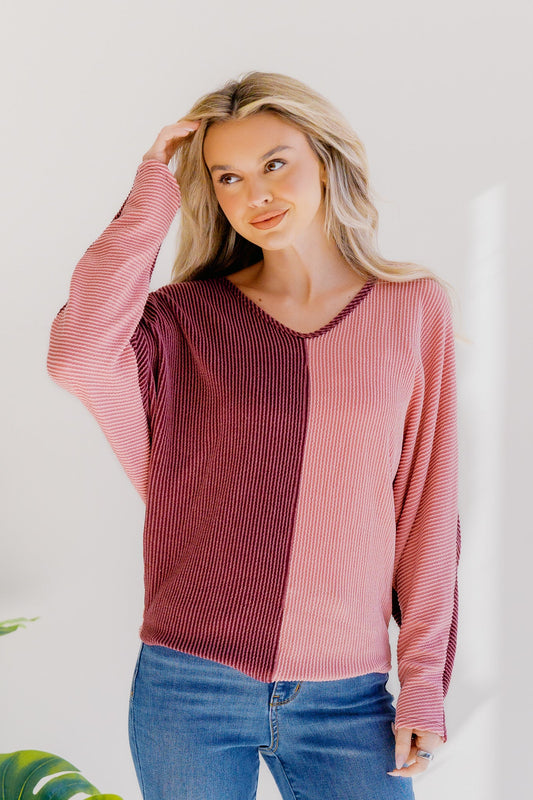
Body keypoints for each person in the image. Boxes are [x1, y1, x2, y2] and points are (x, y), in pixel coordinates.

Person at [46, 71, 461, 800]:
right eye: (227, 177)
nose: (255, 195)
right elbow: (78, 355)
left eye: (275, 163)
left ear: (326, 158)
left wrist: (424, 680)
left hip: (350, 696)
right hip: (188, 686)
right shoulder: (182, 320)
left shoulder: (412, 308)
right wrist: (152, 193)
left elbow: (428, 509)